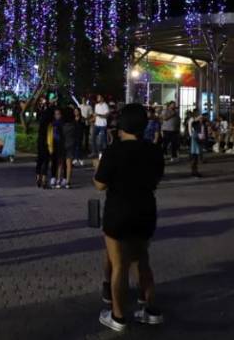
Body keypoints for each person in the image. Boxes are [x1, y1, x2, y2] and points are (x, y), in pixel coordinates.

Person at [93, 103, 165, 332]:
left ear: (122, 125)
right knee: (143, 261)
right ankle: (151, 310)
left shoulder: (115, 151)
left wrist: (97, 166)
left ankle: (118, 316)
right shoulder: (154, 151)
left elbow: (100, 184)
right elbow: (155, 180)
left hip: (119, 212)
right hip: (145, 211)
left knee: (119, 265)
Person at [60, 107, 78, 188]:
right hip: (71, 144)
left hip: (63, 144)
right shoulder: (73, 125)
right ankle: (68, 181)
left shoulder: (62, 125)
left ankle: (59, 180)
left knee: (60, 163)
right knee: (69, 164)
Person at [50, 108, 64, 188]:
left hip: (60, 144)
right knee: (53, 162)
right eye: (55, 114)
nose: (57, 115)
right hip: (53, 144)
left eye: (58, 114)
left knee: (60, 162)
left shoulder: (62, 123)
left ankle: (59, 179)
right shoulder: (52, 123)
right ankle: (53, 177)